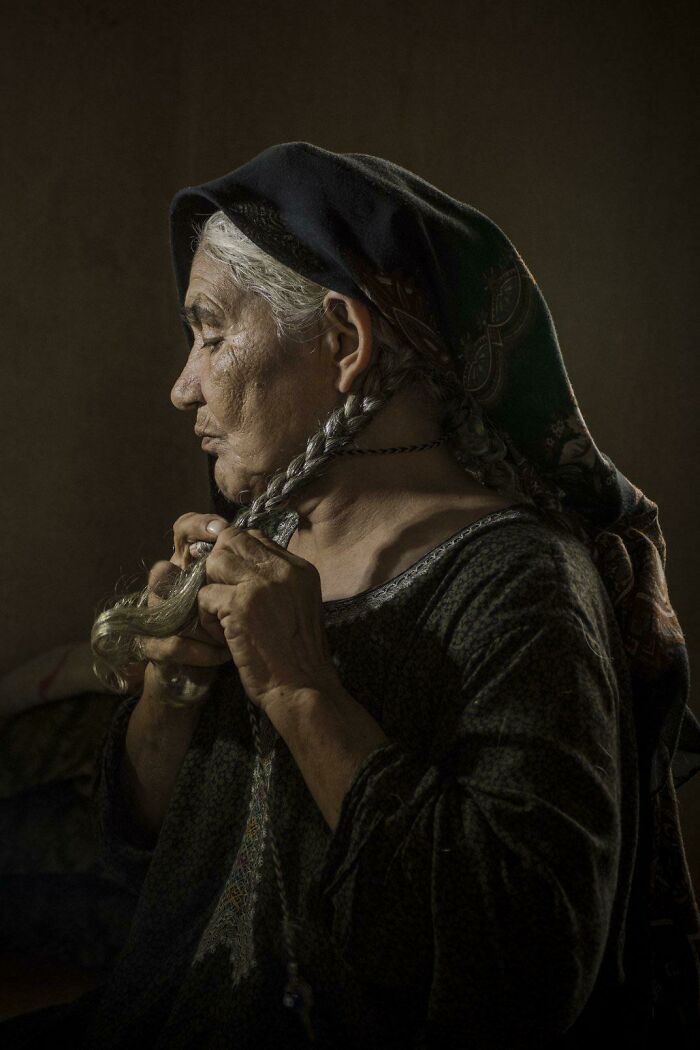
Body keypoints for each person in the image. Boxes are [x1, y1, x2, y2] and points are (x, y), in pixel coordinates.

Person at [2, 141, 698, 1049]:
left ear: (342, 341)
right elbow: (150, 844)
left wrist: (303, 693)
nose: (183, 388)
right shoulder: (271, 538)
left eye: (211, 334)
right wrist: (171, 694)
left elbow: (527, 970)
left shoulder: (525, 585)